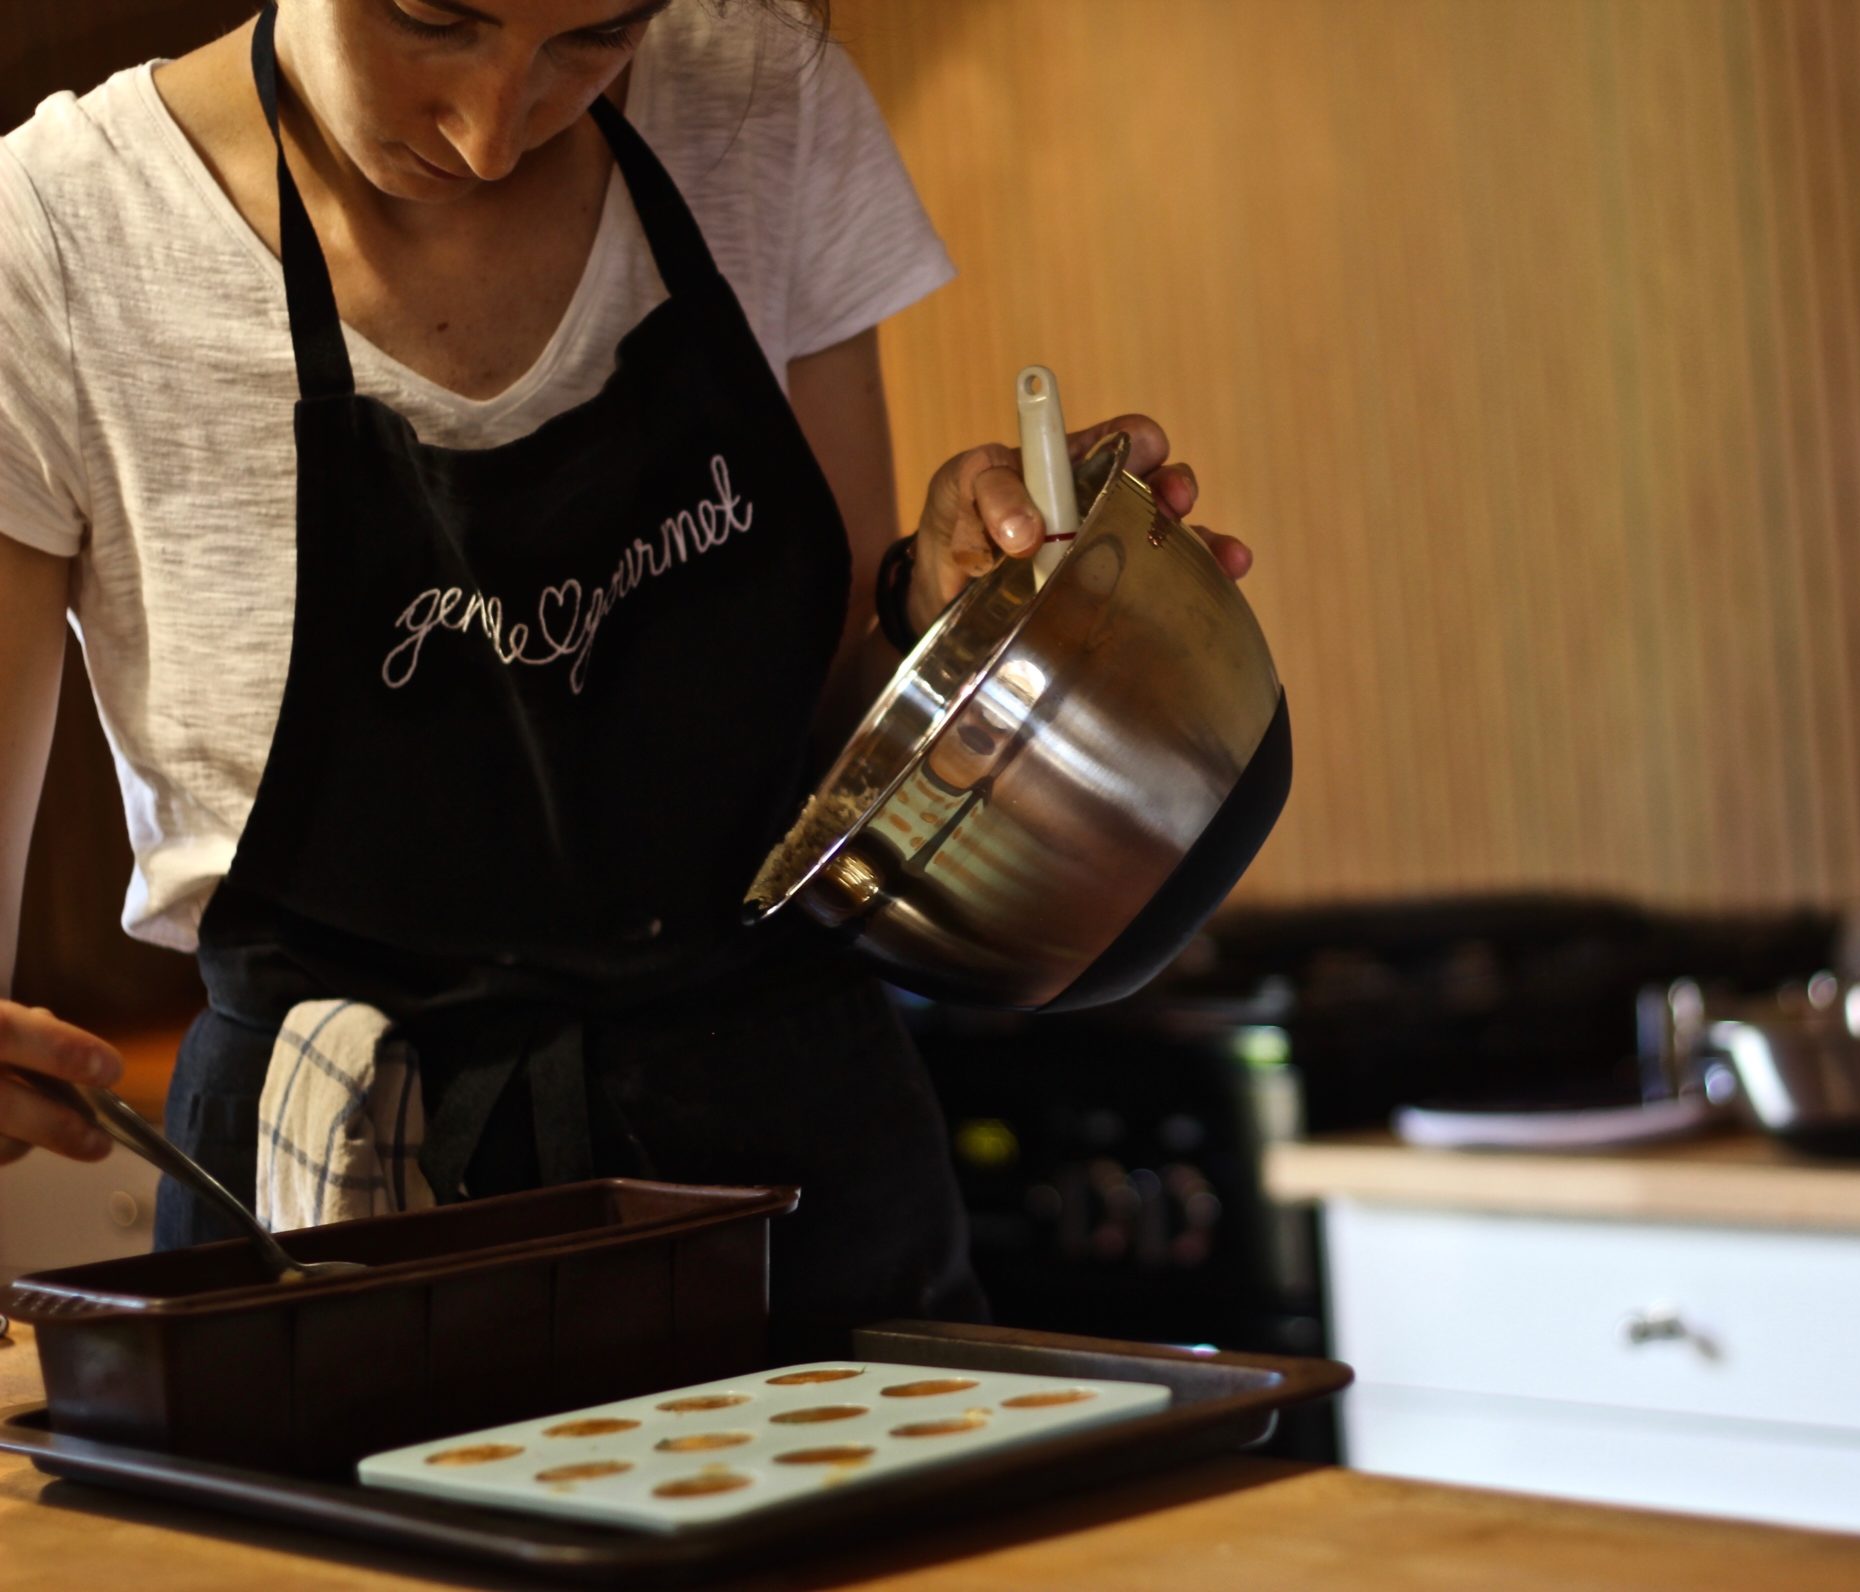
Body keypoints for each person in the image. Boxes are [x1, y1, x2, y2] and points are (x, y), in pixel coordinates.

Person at [0, 0, 1248, 1325]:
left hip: (797, 1185)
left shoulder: (763, 103)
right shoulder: (59, 238)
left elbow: (831, 731)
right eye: (430, 21)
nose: (491, 133)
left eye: (596, 37)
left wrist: (942, 609)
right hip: (347, 1232)